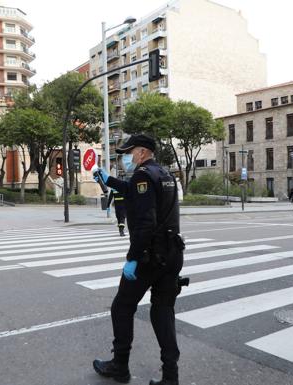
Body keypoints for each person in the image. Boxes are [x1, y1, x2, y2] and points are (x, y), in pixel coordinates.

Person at [92, 134, 184, 385]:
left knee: (122, 307)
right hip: (173, 253)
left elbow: (145, 223)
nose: (127, 157)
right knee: (163, 310)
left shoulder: (143, 175)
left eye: (129, 152)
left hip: (150, 256)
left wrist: (133, 258)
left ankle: (120, 367)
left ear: (142, 152)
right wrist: (108, 180)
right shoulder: (165, 174)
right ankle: (170, 377)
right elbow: (136, 193)